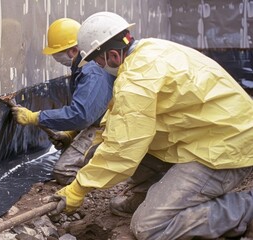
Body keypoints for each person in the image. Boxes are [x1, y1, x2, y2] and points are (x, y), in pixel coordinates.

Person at [53, 11, 253, 239]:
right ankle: (152, 196)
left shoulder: (137, 80)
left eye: (98, 61)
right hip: (208, 132)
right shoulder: (150, 49)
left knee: (148, 228)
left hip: (225, 149)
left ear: (113, 56)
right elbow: (122, 123)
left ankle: (245, 208)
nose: (98, 66)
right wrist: (94, 152)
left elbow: (123, 149)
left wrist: (78, 188)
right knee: (100, 152)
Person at [11, 18, 115, 186]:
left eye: (57, 53)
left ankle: (99, 185)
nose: (56, 58)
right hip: (102, 120)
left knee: (64, 171)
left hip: (109, 126)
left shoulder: (92, 72)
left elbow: (82, 114)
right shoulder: (83, 66)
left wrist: (35, 117)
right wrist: (71, 134)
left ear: (73, 50)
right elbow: (94, 108)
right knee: (71, 151)